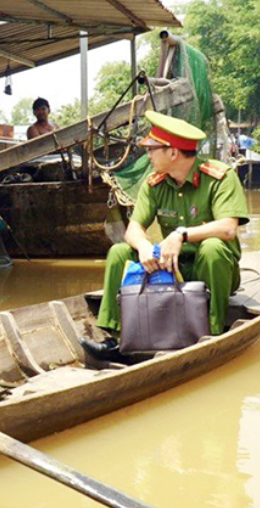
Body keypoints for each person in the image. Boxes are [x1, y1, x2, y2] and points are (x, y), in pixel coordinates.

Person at [82, 110, 249, 361]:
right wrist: (144, 247)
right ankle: (114, 338)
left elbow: (228, 227)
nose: (147, 155)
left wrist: (181, 234)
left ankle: (211, 334)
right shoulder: (154, 184)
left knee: (212, 247)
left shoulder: (220, 177)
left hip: (214, 270)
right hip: (173, 268)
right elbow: (134, 229)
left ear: (172, 152)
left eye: (152, 149)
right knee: (119, 252)